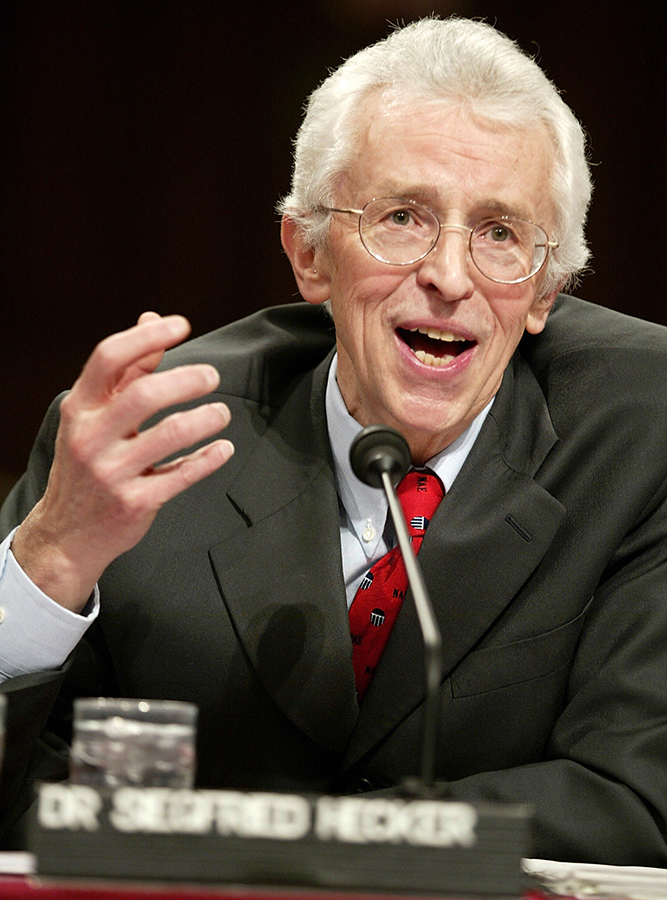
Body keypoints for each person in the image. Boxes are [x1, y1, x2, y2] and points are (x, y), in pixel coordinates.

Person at [1, 15, 667, 866]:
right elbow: (19, 805)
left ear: (545, 292)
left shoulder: (642, 431)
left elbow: (637, 800)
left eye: (500, 234)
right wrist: (50, 563)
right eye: (402, 218)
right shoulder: (148, 440)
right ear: (309, 253)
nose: (449, 276)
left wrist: (304, 857)